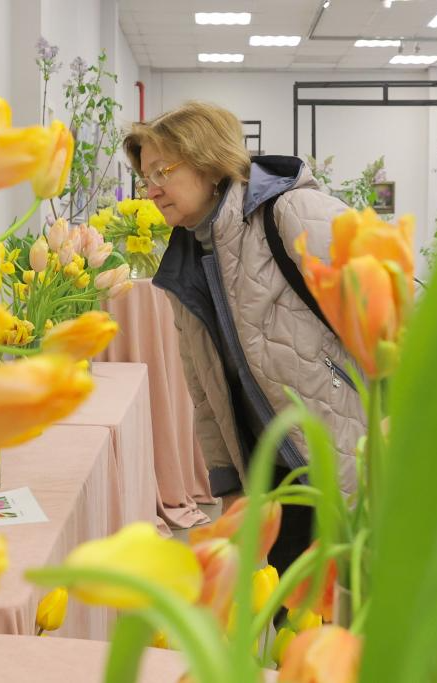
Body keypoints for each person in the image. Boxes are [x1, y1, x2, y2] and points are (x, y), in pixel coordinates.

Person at [123, 101, 368, 573]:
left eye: (162, 171)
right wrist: (228, 482)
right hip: (276, 477)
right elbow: (204, 389)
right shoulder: (184, 263)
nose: (151, 189)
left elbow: (399, 307)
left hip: (349, 455)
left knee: (355, 605)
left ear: (208, 161)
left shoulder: (293, 212)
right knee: (289, 604)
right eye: (145, 177)